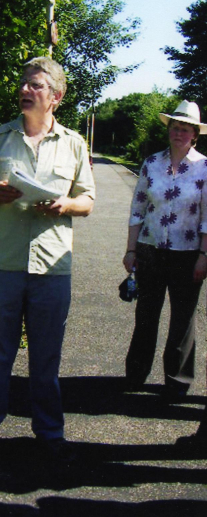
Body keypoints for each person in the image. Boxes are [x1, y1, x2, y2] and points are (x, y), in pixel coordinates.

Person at [0, 57, 95, 466]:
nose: (25, 90)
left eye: (35, 85)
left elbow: (88, 200)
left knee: (46, 360)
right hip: (4, 264)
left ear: (56, 97)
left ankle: (50, 434)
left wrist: (66, 204)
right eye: (24, 84)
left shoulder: (73, 143)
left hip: (52, 267)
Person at [123, 100, 207, 399]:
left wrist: (203, 256)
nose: (179, 133)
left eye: (186, 129)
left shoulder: (205, 168)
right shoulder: (151, 164)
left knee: (183, 320)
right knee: (146, 315)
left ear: (195, 134)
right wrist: (131, 251)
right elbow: (138, 208)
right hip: (150, 248)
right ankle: (135, 374)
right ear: (168, 130)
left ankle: (177, 381)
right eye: (175, 127)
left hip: (187, 253)